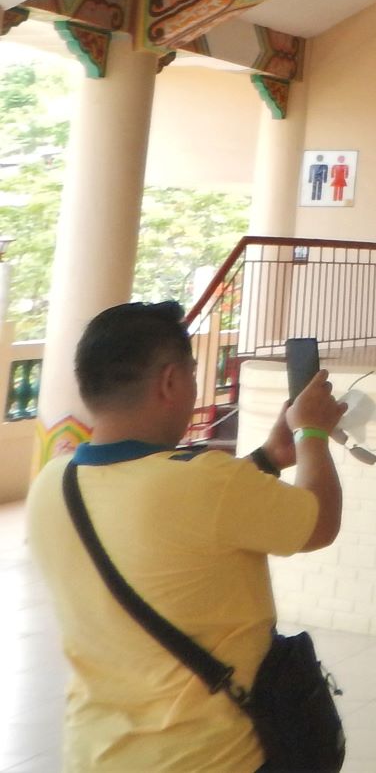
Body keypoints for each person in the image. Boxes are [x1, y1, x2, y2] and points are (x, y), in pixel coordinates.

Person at [26, 301, 348, 771]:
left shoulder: (50, 485)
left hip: (94, 751)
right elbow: (319, 523)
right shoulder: (206, 482)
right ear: (170, 381)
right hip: (208, 756)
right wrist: (313, 433)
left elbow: (173, 514)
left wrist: (267, 457)